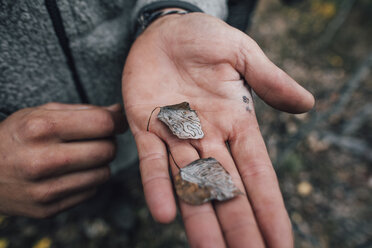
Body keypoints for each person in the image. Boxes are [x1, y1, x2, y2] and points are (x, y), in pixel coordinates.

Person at [0, 0, 314, 247]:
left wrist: (170, 11)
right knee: (82, 189)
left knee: (145, 168)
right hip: (24, 156)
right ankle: (100, 207)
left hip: (140, 109)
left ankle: (121, 198)